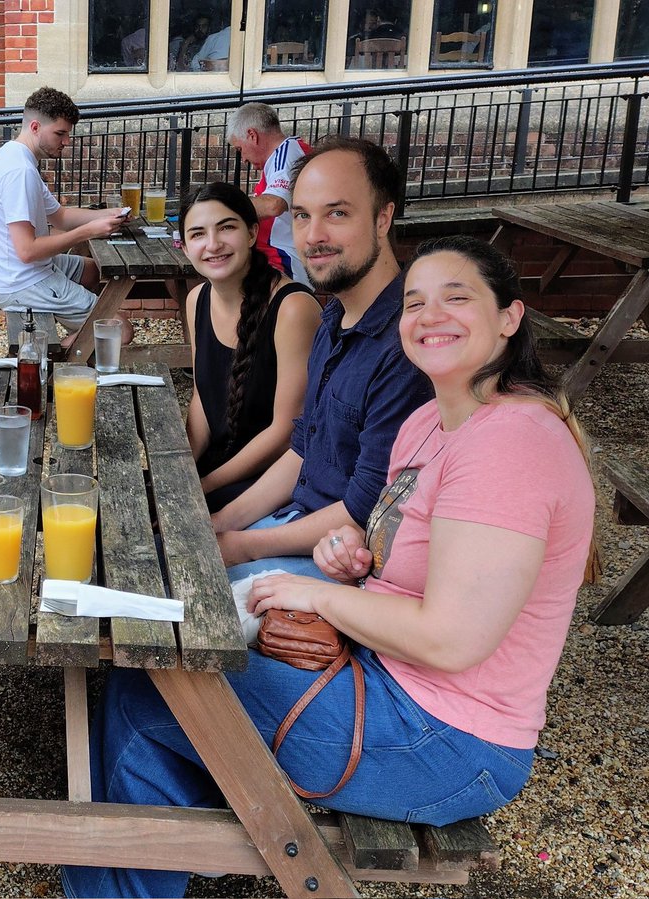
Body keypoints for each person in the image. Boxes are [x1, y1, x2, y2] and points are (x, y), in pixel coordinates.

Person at [61, 234, 596, 899]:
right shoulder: (430, 420)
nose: (430, 316)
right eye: (415, 302)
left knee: (154, 690)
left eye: (456, 299)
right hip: (390, 682)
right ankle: (147, 858)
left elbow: (452, 636)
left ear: (510, 317)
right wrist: (353, 560)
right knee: (167, 680)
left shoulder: (511, 442)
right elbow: (407, 559)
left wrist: (319, 597)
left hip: (447, 742)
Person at [210, 137, 433, 581]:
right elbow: (303, 450)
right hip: (294, 525)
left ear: (383, 217)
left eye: (337, 213)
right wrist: (217, 525)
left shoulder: (407, 345)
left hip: (345, 562)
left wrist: (240, 546)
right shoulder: (334, 314)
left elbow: (366, 509)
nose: (313, 236)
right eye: (302, 216)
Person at [179, 182, 321, 513]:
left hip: (269, 484)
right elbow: (203, 395)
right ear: (185, 248)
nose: (213, 244)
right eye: (198, 234)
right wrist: (182, 468)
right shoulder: (196, 299)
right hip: (216, 467)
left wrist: (206, 484)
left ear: (252, 233)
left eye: (226, 228)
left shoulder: (292, 306)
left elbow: (286, 431)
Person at [0, 86, 133, 348]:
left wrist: (109, 214)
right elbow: (27, 250)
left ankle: (81, 321)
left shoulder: (17, 159)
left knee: (92, 271)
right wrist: (90, 231)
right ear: (35, 127)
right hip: (18, 281)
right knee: (120, 330)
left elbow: (61, 217)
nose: (66, 141)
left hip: (24, 271)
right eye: (60, 133)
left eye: (67, 133)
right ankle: (59, 356)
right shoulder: (18, 172)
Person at [225, 102, 312, 288]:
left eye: (240, 150)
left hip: (281, 261)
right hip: (268, 256)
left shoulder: (286, 154)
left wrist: (221, 209)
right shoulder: (281, 155)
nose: (244, 159)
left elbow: (274, 204)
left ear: (252, 135)